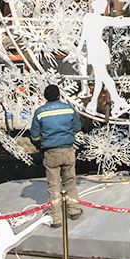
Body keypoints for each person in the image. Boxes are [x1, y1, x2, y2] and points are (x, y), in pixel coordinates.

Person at [29, 84, 83, 227]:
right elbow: (77, 126)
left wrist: (39, 144)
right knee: (70, 181)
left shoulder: (40, 112)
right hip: (67, 149)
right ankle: (75, 210)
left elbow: (34, 134)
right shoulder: (68, 108)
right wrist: (68, 134)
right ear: (59, 95)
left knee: (53, 185)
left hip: (50, 152)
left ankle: (56, 218)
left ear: (45, 97)